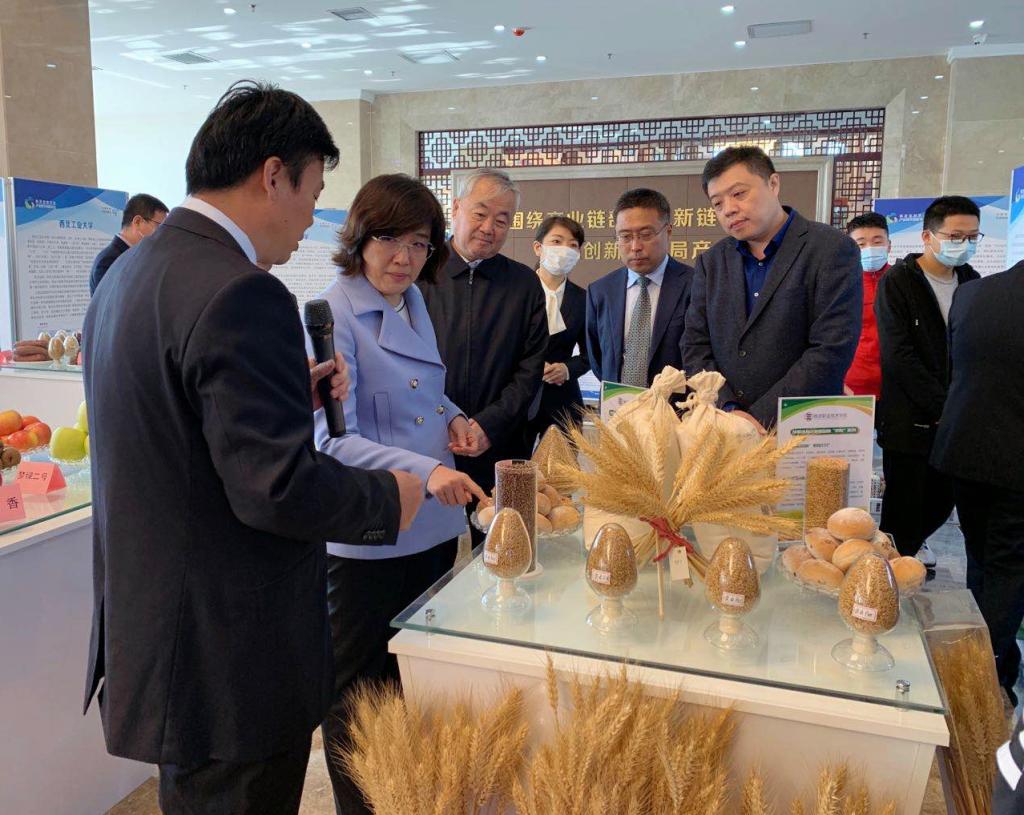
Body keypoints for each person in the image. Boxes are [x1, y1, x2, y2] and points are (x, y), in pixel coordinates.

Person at [82, 81, 423, 815]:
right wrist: (390, 497)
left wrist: (282, 398)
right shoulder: (243, 291)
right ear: (273, 175)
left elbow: (173, 428)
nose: (310, 221)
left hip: (163, 637)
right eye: (313, 194)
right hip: (230, 653)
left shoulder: (126, 274)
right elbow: (276, 489)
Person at [311, 174, 486, 815]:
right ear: (360, 237)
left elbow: (422, 396)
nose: (404, 257)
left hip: (432, 530)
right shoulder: (332, 316)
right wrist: (428, 469)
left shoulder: (413, 302)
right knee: (360, 698)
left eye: (418, 243)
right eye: (389, 239)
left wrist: (457, 418)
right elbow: (334, 441)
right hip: (371, 538)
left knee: (412, 683)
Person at [682, 146, 861, 430]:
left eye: (739, 193)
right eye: (717, 203)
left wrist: (760, 418)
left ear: (773, 184)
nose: (729, 209)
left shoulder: (831, 249)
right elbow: (695, 345)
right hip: (725, 425)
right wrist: (727, 408)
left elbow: (831, 349)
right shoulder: (712, 261)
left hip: (799, 426)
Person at [418, 168, 548, 498]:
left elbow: (530, 369)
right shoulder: (420, 274)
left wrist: (489, 425)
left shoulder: (524, 285)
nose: (489, 228)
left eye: (502, 220)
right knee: (434, 529)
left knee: (506, 529)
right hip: (430, 442)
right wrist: (449, 419)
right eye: (480, 214)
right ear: (455, 207)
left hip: (501, 444)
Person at [931, 260, 1024, 705]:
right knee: (1009, 568)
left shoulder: (973, 293)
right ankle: (982, 684)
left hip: (965, 448)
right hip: (1015, 464)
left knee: (982, 558)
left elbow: (955, 370)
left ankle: (989, 661)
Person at [875, 195, 981, 563]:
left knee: (941, 500)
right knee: (903, 507)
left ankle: (907, 556)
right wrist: (941, 406)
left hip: (956, 418)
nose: (964, 244)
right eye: (955, 236)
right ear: (927, 236)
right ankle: (886, 577)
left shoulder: (971, 281)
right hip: (911, 418)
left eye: (972, 237)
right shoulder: (898, 282)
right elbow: (898, 356)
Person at [586, 188, 694, 388]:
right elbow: (598, 359)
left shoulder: (695, 285)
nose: (635, 246)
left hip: (676, 405)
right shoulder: (601, 291)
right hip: (617, 404)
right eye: (625, 236)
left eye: (645, 235)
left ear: (668, 231)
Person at [524, 215, 590, 449]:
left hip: (563, 401)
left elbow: (591, 354)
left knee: (561, 470)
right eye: (556, 241)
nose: (565, 250)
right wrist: (531, 366)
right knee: (512, 468)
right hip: (518, 398)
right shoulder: (517, 291)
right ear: (538, 247)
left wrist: (567, 369)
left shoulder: (584, 299)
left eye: (573, 245)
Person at [844, 212, 891, 399]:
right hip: (851, 384)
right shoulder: (840, 284)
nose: (870, 248)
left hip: (896, 383)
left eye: (877, 242)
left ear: (889, 245)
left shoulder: (904, 282)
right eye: (861, 244)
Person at [88, 192, 168, 294]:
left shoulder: (138, 255)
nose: (162, 234)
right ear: (137, 221)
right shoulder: (109, 260)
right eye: (159, 226)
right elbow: (112, 302)